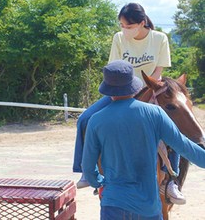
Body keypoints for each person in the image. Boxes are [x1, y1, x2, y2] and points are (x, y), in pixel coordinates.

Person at [73, 2, 185, 204]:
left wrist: (145, 92)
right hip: (119, 90)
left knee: (173, 125)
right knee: (84, 119)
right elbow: (114, 69)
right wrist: (123, 94)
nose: (124, 30)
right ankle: (85, 171)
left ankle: (171, 181)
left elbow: (158, 71)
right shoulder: (118, 38)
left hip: (150, 89)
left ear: (141, 23)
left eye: (128, 27)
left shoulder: (159, 38)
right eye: (122, 26)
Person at [82, 60, 205, 220]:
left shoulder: (95, 120)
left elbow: (88, 167)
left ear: (108, 90)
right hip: (148, 207)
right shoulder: (155, 113)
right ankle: (171, 186)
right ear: (133, 86)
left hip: (113, 205)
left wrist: (100, 182)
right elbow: (184, 147)